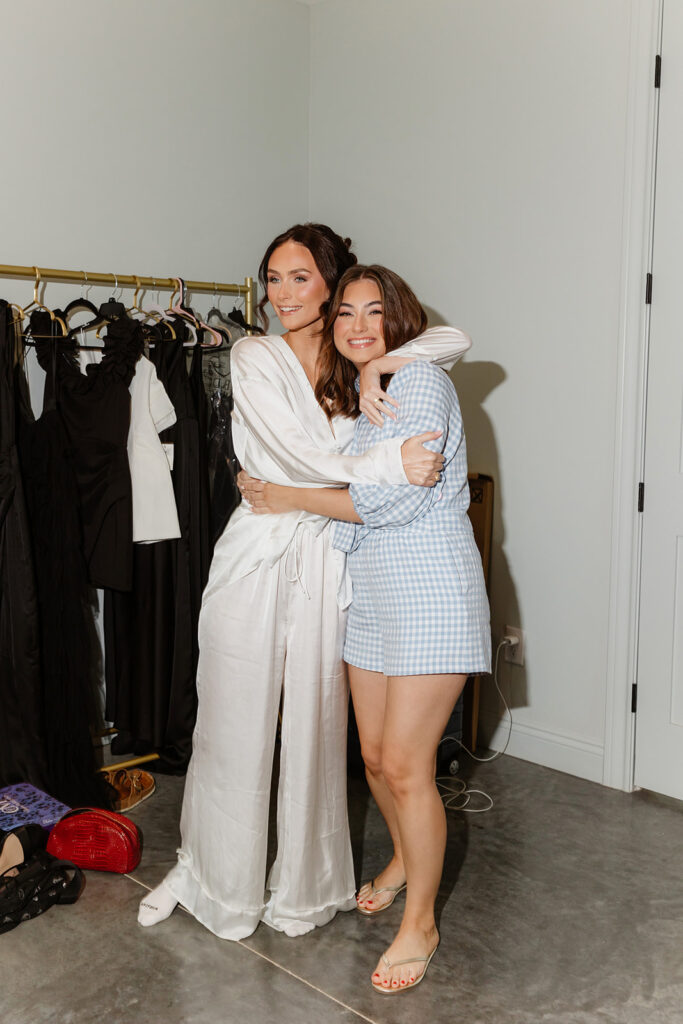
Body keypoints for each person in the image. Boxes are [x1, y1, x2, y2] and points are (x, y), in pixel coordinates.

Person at [137, 226, 472, 939]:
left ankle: (306, 885)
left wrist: (384, 368)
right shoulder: (252, 352)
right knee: (234, 719)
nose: (279, 294)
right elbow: (297, 455)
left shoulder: (367, 361)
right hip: (262, 550)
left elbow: (447, 342)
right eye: (271, 278)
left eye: (298, 278)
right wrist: (384, 460)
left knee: (322, 734)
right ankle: (216, 875)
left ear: (332, 282)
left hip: (335, 556)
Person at [238, 264, 491, 993]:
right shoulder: (365, 390)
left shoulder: (418, 384)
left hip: (430, 592)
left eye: (373, 313)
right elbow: (362, 491)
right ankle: (406, 858)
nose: (356, 325)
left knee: (407, 766)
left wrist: (286, 496)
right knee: (376, 759)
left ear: (397, 319)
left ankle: (421, 924)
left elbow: (389, 503)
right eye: (344, 311)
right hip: (374, 591)